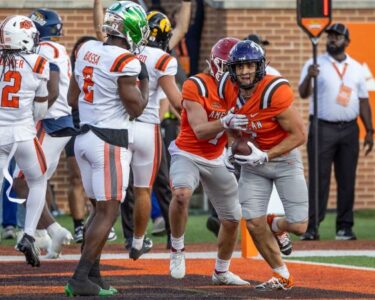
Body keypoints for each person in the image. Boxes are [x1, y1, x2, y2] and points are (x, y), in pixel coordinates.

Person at [64, 1, 149, 296]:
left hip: (84, 139)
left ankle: (95, 276)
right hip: (109, 141)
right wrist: (145, 81)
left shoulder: (86, 50)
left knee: (98, 211)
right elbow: (137, 108)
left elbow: (73, 99)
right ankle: (79, 278)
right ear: (132, 28)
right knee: (108, 212)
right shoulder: (127, 61)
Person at [221, 40, 308, 290]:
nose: (245, 71)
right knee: (252, 221)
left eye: (249, 65)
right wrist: (230, 147)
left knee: (300, 225)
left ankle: (277, 224)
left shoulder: (274, 91)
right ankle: (281, 275)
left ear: (259, 66)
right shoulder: (228, 89)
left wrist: (266, 155)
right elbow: (233, 127)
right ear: (232, 70)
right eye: (239, 67)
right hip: (253, 164)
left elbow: (300, 135)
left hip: (284, 158)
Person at [168, 37, 249, 286]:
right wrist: (226, 122)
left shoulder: (240, 90)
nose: (234, 72)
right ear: (215, 64)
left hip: (216, 158)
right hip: (188, 153)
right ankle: (177, 250)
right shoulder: (196, 85)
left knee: (233, 218)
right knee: (181, 194)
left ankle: (222, 271)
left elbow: (241, 130)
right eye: (229, 66)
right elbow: (201, 130)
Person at [298, 23, 373, 241]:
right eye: (330, 36)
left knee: (347, 178)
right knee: (318, 179)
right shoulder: (314, 63)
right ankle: (312, 227)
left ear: (347, 42)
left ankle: (344, 227)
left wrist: (369, 129)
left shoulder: (357, 68)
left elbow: (363, 100)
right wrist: (309, 77)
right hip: (323, 127)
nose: (332, 39)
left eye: (337, 36)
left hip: (349, 128)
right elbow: (303, 94)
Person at [0, 15, 50, 267]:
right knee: (38, 181)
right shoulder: (38, 63)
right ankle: (29, 234)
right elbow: (41, 109)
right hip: (23, 134)